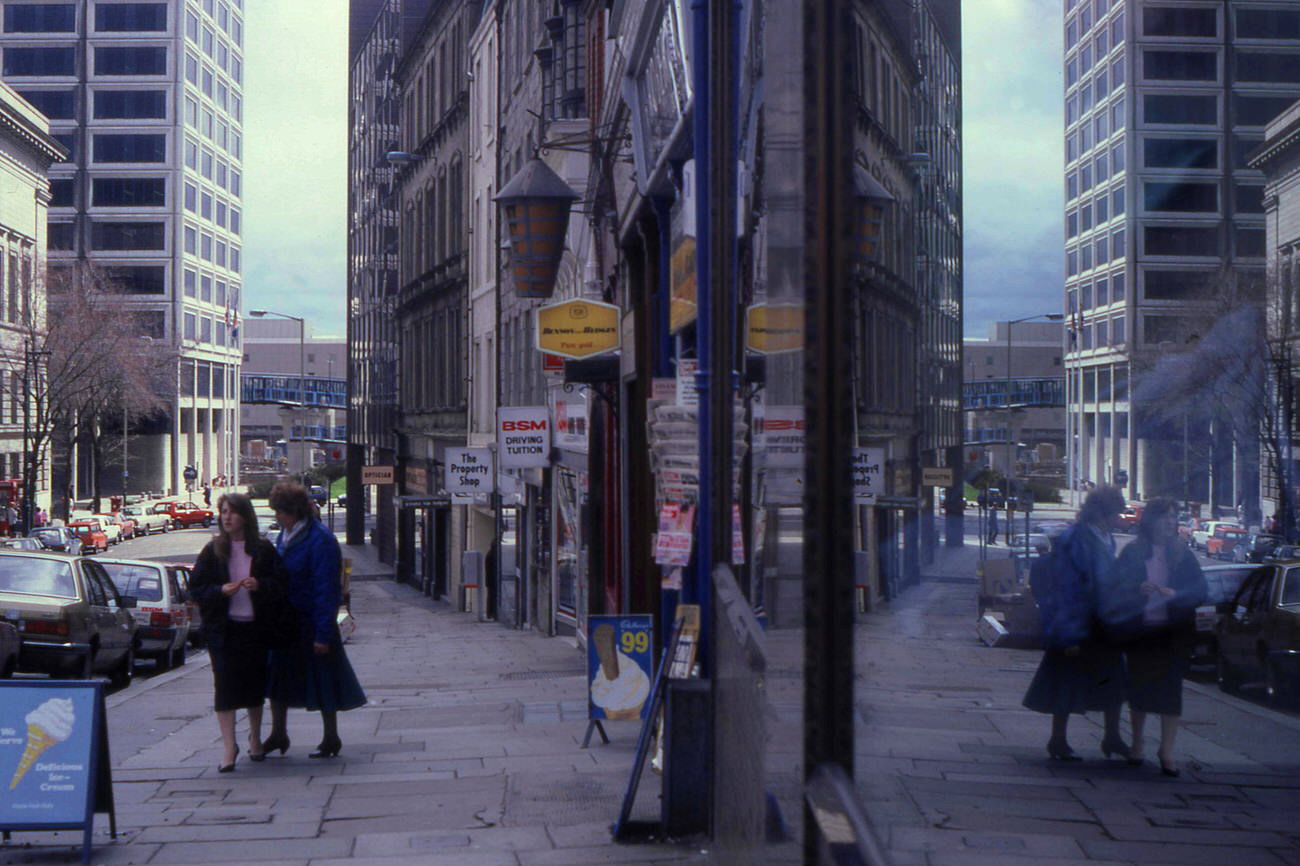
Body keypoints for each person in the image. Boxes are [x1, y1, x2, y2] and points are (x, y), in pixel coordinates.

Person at [1100, 498, 1207, 777]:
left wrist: (1174, 594)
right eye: (1164, 517)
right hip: (1141, 631)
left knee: (1171, 692)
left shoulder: (1183, 554)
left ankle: (1167, 751)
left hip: (1172, 634)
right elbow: (1114, 586)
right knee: (1140, 689)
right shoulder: (1134, 552)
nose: (1170, 522)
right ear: (1151, 521)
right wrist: (1138, 588)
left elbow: (1199, 591)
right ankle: (1137, 744)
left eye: (1173, 516)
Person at [1022, 485, 1129, 761]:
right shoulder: (1077, 538)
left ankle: (1112, 737)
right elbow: (1067, 589)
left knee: (1112, 680)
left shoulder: (1104, 537)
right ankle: (1058, 740)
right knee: (1065, 682)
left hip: (1101, 622)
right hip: (1078, 623)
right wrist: (1068, 635)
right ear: (1102, 512)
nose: (1119, 518)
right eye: (1116, 513)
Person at [264, 481, 366, 759]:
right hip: (286, 620)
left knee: (324, 679)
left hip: (311, 620)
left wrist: (323, 633)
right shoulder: (285, 535)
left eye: (280, 511)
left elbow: (326, 588)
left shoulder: (320, 539)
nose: (277, 517)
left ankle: (331, 737)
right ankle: (278, 733)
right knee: (278, 677)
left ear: (294, 511)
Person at [189, 493, 288, 772]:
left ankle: (255, 739)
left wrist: (260, 585)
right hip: (224, 630)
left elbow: (280, 585)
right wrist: (221, 590)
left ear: (245, 516)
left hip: (255, 629)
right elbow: (195, 589)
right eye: (223, 512)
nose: (226, 517)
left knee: (254, 685)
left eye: (232, 512)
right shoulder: (213, 551)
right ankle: (229, 747)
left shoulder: (263, 549)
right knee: (224, 686)